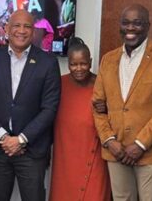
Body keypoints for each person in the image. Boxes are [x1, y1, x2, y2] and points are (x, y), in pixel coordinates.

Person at [92, 3, 152, 201]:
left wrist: (140, 144)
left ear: (148, 26)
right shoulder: (108, 60)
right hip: (116, 152)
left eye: (137, 23)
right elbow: (97, 107)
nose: (130, 28)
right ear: (120, 26)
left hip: (150, 153)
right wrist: (109, 141)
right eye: (126, 23)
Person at [0, 9, 61, 201]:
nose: (21, 31)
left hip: (32, 150)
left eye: (27, 26)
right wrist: (5, 138)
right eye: (16, 25)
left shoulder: (48, 62)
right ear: (6, 29)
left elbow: (49, 108)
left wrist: (21, 139)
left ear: (34, 31)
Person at [50, 37, 111, 201]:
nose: (78, 68)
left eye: (83, 63)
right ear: (68, 64)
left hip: (95, 152)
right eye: (73, 64)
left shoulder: (102, 84)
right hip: (65, 153)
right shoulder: (58, 83)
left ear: (90, 62)